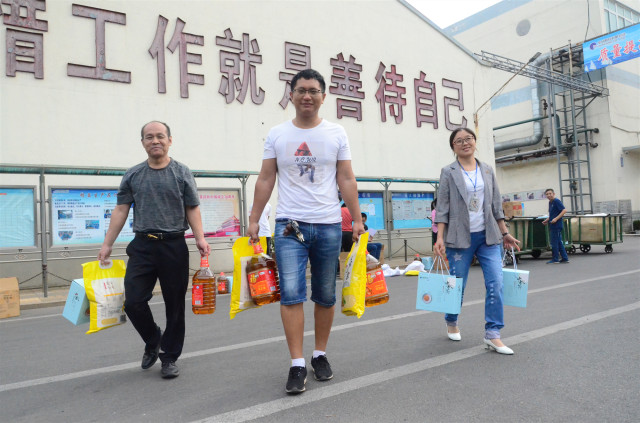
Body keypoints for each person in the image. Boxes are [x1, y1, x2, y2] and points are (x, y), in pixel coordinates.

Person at [248, 69, 364, 395]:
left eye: (313, 90)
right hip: (290, 225)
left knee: (325, 294)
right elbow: (266, 178)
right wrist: (254, 218)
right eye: (301, 90)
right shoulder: (277, 134)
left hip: (328, 224)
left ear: (323, 97)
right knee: (291, 293)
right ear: (291, 95)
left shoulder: (336, 133)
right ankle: (297, 363)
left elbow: (346, 178)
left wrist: (356, 219)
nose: (307, 96)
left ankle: (319, 354)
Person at [98, 121, 210, 379]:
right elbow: (121, 209)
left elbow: (192, 207)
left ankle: (169, 357)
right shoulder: (133, 174)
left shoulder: (181, 172)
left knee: (174, 306)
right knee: (133, 301)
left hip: (173, 245)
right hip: (143, 246)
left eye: (160, 136)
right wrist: (107, 243)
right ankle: (153, 338)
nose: (155, 141)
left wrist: (200, 238)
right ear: (143, 143)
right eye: (149, 137)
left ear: (170, 140)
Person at [434, 127, 520, 355]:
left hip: (488, 236)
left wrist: (505, 233)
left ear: (475, 141)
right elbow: (442, 207)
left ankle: (493, 333)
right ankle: (451, 320)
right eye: (459, 141)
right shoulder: (448, 172)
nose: (465, 143)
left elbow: (496, 205)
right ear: (453, 147)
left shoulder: (487, 170)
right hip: (459, 237)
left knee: (496, 283)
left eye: (469, 139)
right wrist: (439, 237)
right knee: (457, 285)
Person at [542, 188, 570, 264]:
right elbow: (552, 214)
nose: (548, 195)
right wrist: (547, 220)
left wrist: (556, 219)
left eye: (550, 193)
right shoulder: (550, 202)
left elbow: (564, 210)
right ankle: (565, 258)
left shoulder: (556, 201)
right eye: (547, 194)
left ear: (553, 194)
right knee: (559, 242)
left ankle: (555, 259)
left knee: (554, 243)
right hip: (552, 224)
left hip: (556, 225)